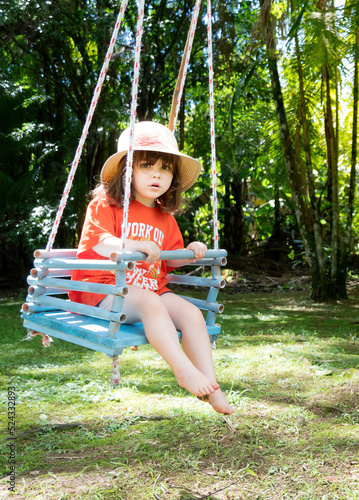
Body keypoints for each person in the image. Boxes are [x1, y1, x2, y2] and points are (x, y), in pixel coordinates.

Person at [69, 121, 233, 415]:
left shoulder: (164, 217)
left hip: (149, 289)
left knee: (192, 315)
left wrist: (191, 252)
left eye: (166, 168)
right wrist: (132, 244)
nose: (157, 173)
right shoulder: (105, 204)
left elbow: (170, 259)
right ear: (126, 170)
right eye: (146, 165)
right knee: (151, 302)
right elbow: (99, 243)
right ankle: (183, 371)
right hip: (104, 289)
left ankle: (212, 384)